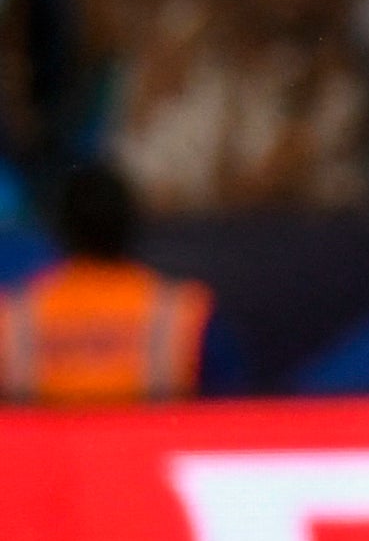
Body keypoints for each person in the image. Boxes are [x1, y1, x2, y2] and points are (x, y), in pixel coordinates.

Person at [0, 162, 235, 405]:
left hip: (41, 444)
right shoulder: (181, 311)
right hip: (153, 442)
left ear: (62, 227)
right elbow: (234, 411)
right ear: (130, 223)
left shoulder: (14, 314)